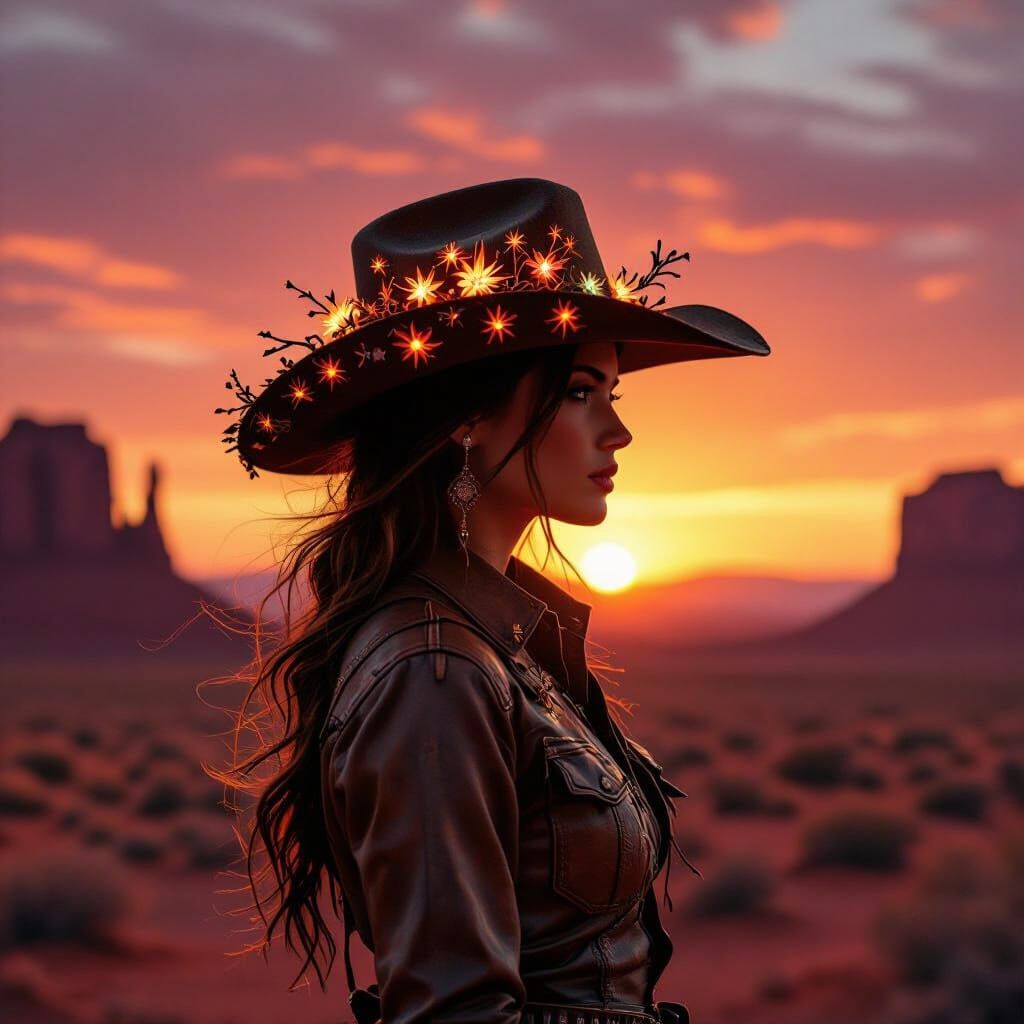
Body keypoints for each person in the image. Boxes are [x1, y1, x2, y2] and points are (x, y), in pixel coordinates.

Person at [216, 178, 770, 1023]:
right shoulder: (433, 670)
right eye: (581, 391)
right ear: (470, 416)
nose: (616, 431)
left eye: (612, 396)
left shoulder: (491, 642)